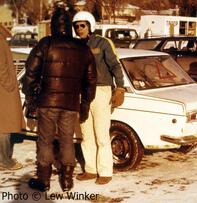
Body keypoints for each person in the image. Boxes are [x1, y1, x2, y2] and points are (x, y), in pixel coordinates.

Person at [22, 7, 96, 192]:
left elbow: (30, 73)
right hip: (70, 104)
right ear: (69, 26)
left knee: (45, 141)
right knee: (66, 140)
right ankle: (67, 181)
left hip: (47, 102)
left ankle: (44, 181)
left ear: (53, 26)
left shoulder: (45, 44)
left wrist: (31, 96)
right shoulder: (82, 48)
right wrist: (85, 103)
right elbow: (91, 80)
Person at [72, 11, 125, 185]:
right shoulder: (74, 46)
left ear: (90, 25)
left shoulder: (102, 43)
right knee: (86, 134)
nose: (79, 29)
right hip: (82, 93)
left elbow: (115, 66)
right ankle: (90, 169)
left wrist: (120, 88)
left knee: (101, 134)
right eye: (76, 26)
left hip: (101, 92)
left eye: (82, 25)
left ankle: (105, 171)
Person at [0, 33, 24, 171]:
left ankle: (4, 159)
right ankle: (4, 161)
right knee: (4, 126)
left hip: (3, 88)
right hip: (4, 89)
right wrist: (9, 84)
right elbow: (1, 68)